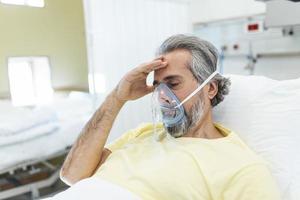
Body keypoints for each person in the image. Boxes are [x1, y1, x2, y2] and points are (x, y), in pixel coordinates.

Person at [58, 34, 281, 200]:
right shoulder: (142, 134)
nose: (163, 96)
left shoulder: (239, 166)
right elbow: (72, 175)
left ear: (210, 88)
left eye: (173, 84)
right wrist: (117, 97)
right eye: (158, 86)